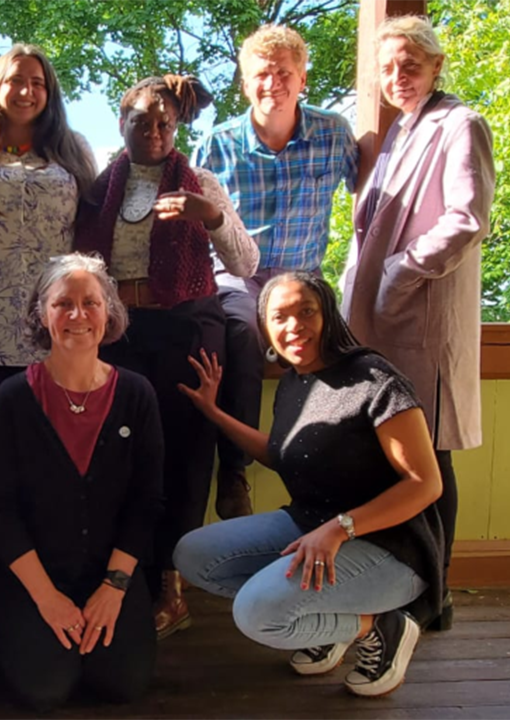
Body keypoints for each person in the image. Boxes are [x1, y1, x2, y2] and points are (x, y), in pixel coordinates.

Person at [173, 272, 444, 698]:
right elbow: (282, 452)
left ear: (328, 315)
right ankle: (328, 618)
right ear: (266, 328)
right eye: (279, 316)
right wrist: (213, 411)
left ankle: (381, 627)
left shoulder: (374, 379)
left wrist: (339, 529)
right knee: (193, 555)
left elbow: (425, 484)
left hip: (391, 546)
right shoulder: (294, 381)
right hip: (310, 526)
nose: (294, 325)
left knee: (258, 615)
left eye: (306, 312)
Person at [75, 75, 258, 640]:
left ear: (176, 129)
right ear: (121, 122)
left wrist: (212, 216)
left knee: (183, 454)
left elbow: (247, 262)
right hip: (121, 332)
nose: (154, 132)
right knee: (123, 453)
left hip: (184, 325)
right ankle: (124, 576)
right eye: (141, 121)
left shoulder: (199, 179)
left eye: (165, 124)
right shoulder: (104, 185)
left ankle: (173, 587)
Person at [342, 15, 495, 631]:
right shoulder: (400, 131)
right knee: (396, 455)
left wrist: (402, 271)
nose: (397, 77)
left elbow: (467, 218)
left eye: (410, 65)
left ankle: (435, 595)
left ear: (435, 65)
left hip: (422, 319)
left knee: (429, 459)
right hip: (382, 321)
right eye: (387, 68)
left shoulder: (461, 123)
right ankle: (400, 583)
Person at [0, 253, 163, 711]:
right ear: (43, 314)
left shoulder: (137, 394)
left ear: (109, 313)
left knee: (122, 685)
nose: (78, 316)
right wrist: (47, 599)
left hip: (110, 574)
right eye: (63, 304)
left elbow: (147, 501)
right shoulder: (13, 398)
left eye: (91, 303)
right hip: (34, 577)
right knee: (45, 689)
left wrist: (114, 588)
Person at [194, 24, 359, 521]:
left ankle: (333, 475)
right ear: (245, 83)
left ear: (302, 79)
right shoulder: (217, 145)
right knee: (240, 332)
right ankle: (235, 471)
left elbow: (374, 201)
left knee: (343, 351)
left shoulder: (334, 135)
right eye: (262, 75)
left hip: (303, 278)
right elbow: (196, 230)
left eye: (284, 73)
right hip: (237, 277)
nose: (273, 84)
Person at [0, 44, 98, 387]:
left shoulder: (75, 149)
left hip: (50, 326)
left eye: (37, 83)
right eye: (15, 80)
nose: (27, 91)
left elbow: (92, 228)